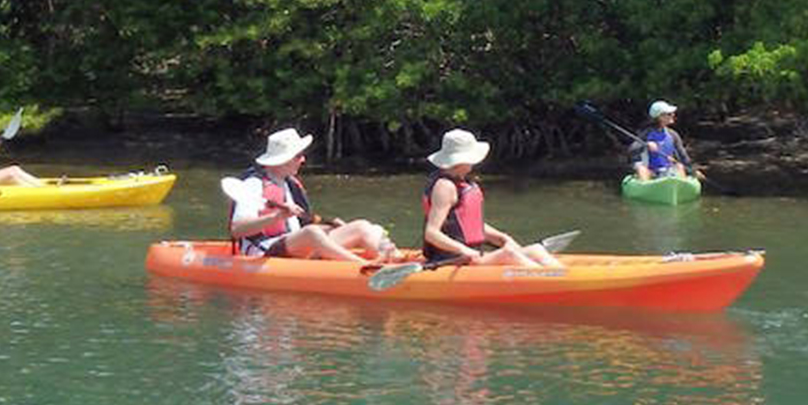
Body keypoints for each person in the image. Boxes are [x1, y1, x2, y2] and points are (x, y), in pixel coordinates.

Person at [225, 128, 395, 263]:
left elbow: (302, 224)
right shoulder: (253, 185)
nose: (303, 159)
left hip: (297, 245)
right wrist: (276, 217)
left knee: (361, 226)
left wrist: (330, 225)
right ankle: (363, 267)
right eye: (298, 156)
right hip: (264, 251)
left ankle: (395, 260)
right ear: (282, 160)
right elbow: (238, 230)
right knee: (312, 233)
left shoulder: (289, 184)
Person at [422, 129, 563, 268]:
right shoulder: (445, 187)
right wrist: (464, 250)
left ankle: (563, 280)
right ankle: (555, 284)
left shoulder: (461, 181)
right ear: (461, 160)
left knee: (535, 250)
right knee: (509, 254)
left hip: (471, 257)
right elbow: (432, 233)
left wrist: (502, 238)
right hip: (452, 259)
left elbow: (469, 225)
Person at [630, 100, 705, 181]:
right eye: (669, 114)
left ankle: (680, 187)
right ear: (659, 117)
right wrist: (646, 144)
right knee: (641, 169)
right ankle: (644, 187)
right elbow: (632, 149)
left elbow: (683, 156)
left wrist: (693, 171)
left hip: (668, 170)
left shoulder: (673, 134)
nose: (673, 115)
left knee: (680, 166)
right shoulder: (646, 133)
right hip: (650, 171)